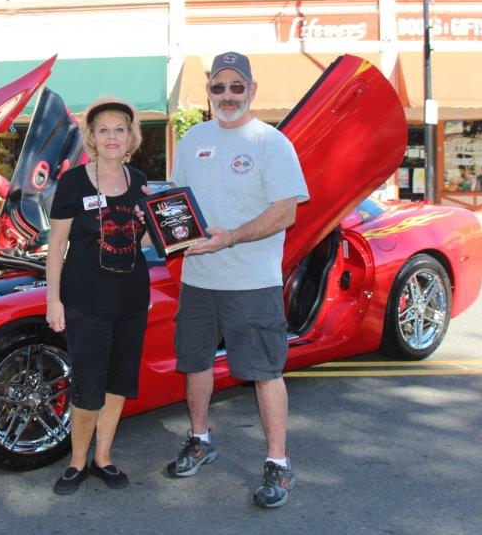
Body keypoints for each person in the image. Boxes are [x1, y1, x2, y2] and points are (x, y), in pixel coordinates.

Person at [164, 51, 309, 509]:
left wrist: (230, 238)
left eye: (236, 87)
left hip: (252, 282)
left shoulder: (272, 142)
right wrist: (158, 208)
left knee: (265, 372)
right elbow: (178, 200)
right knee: (195, 364)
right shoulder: (193, 140)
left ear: (252, 90)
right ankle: (200, 439)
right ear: (208, 91)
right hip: (199, 280)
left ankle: (278, 462)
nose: (227, 96)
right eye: (218, 87)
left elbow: (285, 213)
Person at [45, 98, 150, 495]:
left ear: (130, 136)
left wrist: (148, 223)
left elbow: (140, 242)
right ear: (92, 137)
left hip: (130, 300)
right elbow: (56, 246)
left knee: (118, 382)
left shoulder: (138, 181)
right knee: (88, 387)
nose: (112, 137)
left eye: (119, 129)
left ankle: (103, 458)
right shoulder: (73, 182)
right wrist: (53, 300)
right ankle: (77, 462)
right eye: (103, 130)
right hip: (85, 301)